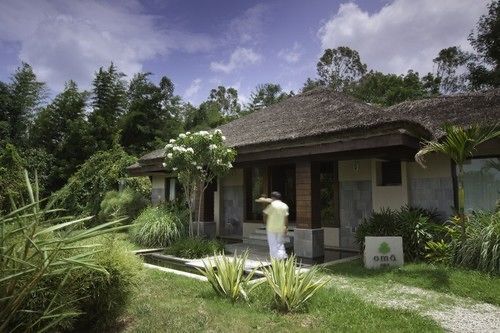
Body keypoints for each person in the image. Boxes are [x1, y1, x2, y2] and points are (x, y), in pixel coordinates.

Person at [262, 191, 289, 260]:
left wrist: (265, 222)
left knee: (273, 244)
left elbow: (265, 214)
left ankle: (275, 260)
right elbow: (286, 218)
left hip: (271, 228)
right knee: (280, 244)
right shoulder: (285, 205)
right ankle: (283, 257)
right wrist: (286, 227)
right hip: (281, 228)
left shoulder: (272, 205)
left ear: (272, 197)